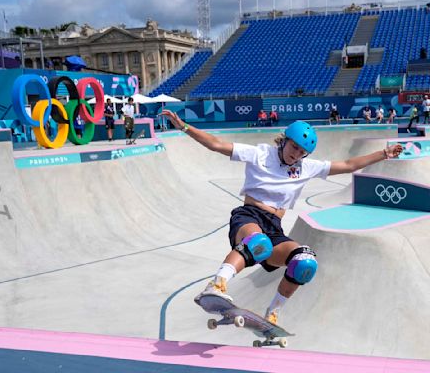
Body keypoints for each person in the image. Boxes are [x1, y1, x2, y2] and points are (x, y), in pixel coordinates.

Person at [160, 109, 402, 325]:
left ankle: (272, 313)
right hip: (249, 217)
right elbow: (216, 144)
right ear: (284, 140)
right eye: (294, 147)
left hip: (275, 228)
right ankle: (217, 284)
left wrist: (384, 153)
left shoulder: (306, 167)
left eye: (302, 152)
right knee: (257, 244)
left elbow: (348, 164)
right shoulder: (259, 154)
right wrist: (183, 126)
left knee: (305, 262)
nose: (296, 154)